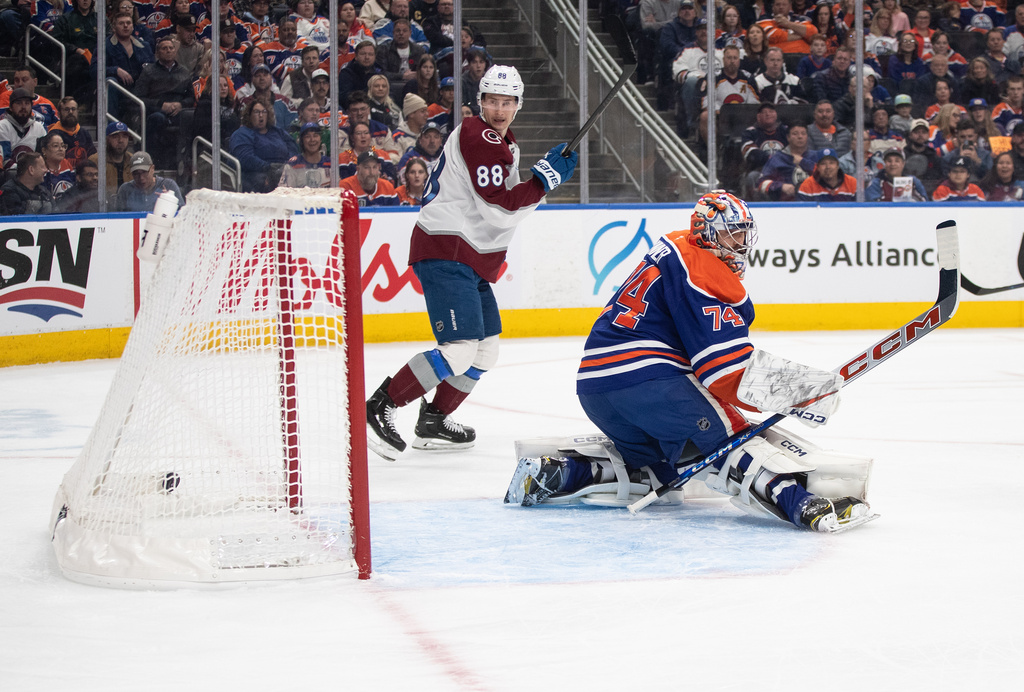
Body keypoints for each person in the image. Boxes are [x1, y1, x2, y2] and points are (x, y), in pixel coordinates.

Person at [506, 191, 872, 534]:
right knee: (732, 436)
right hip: (650, 380)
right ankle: (802, 505)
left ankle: (561, 475)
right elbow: (726, 372)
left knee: (661, 470)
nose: (741, 245)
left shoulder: (677, 246)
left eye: (743, 234)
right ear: (709, 235)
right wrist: (803, 393)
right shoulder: (704, 272)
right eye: (732, 235)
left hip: (597, 387)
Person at [365, 65, 578, 460]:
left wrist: (541, 182)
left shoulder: (502, 143)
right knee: (460, 349)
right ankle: (382, 405)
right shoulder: (478, 135)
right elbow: (499, 207)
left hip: (469, 256)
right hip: (448, 250)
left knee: (484, 351)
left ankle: (434, 419)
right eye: (492, 101)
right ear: (480, 102)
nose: (499, 109)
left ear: (518, 105)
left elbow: (508, 208)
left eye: (507, 102)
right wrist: (542, 182)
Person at [133, 36, 196, 170]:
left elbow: (191, 98)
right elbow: (138, 98)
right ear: (157, 53)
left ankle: (185, 162)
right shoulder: (148, 72)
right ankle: (155, 162)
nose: (168, 51)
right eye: (164, 48)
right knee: (157, 119)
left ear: (175, 51)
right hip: (156, 111)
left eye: (171, 48)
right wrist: (161, 104)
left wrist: (181, 105)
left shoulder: (184, 72)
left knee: (191, 117)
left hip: (179, 111)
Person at [229, 99, 299, 192]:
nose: (261, 115)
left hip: (284, 170)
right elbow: (245, 157)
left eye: (264, 112)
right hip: (256, 173)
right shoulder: (242, 133)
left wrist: (288, 165)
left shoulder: (278, 132)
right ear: (249, 115)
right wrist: (268, 167)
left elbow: (293, 149)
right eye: (256, 112)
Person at [50, 0, 98, 109]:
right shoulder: (65, 19)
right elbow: (57, 41)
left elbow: (107, 39)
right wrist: (76, 49)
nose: (85, 1)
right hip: (73, 58)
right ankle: (75, 102)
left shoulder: (100, 20)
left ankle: (89, 104)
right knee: (78, 64)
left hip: (96, 57)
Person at [755, 122, 818, 200]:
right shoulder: (778, 158)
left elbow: (829, 178)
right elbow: (760, 184)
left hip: (816, 204)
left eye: (803, 133)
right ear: (788, 137)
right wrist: (781, 186)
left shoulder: (816, 156)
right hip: (786, 205)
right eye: (795, 134)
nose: (800, 137)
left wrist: (804, 163)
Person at [659, 1, 699, 110]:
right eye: (683, 9)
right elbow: (667, 46)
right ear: (679, 12)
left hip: (699, 60)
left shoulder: (701, 26)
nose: (687, 11)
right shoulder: (670, 27)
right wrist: (687, 52)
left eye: (690, 9)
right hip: (679, 61)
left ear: (695, 12)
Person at [115, 151, 184, 211]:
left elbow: (183, 214)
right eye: (136, 173)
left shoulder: (169, 185)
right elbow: (117, 219)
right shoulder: (125, 190)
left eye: (144, 172)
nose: (141, 177)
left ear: (152, 169)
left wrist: (171, 202)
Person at [0, 89, 47, 175]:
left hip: (34, 177)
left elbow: (45, 158)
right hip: (10, 179)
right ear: (10, 107)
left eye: (27, 103)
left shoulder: (39, 128)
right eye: (19, 103)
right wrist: (27, 172)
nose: (23, 107)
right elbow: (5, 161)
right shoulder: (2, 126)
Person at [377, 17, 426, 91]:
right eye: (398, 31)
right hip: (390, 85)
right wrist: (402, 76)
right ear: (393, 33)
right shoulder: (384, 49)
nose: (401, 33)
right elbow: (381, 73)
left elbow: (423, 71)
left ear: (410, 33)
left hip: (414, 85)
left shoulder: (419, 51)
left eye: (404, 31)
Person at [89, 120, 134, 199]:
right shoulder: (95, 161)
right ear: (107, 139)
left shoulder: (133, 160)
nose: (121, 140)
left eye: (124, 136)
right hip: (103, 207)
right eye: (115, 137)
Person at [0, 151, 54, 215]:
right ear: (31, 170)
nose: (46, 170)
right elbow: (15, 220)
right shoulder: (8, 192)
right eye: (42, 167)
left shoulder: (45, 193)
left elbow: (56, 213)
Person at [279, 121, 331, 188]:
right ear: (301, 141)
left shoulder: (330, 164)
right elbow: (284, 194)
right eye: (307, 136)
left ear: (320, 139)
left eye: (315, 135)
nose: (312, 139)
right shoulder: (292, 166)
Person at [338, 40, 382, 108]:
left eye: (370, 54)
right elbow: (343, 98)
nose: (367, 57)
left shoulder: (380, 74)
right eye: (363, 54)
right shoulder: (346, 73)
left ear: (375, 57)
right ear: (356, 56)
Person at [902, 117, 944, 187]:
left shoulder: (933, 156)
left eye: (924, 132)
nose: (920, 135)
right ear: (910, 135)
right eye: (916, 132)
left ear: (928, 135)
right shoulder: (903, 155)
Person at [38, 131, 76, 203]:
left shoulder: (66, 164)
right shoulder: (40, 168)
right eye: (55, 146)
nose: (61, 149)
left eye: (63, 146)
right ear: (44, 150)